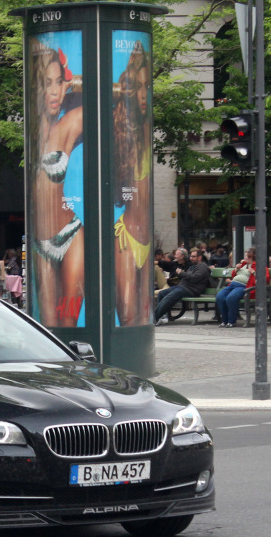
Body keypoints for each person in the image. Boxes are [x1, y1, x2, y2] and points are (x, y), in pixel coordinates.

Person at [29, 37, 85, 326]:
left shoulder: (69, 125)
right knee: (48, 328)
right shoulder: (29, 135)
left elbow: (104, 98)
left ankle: (79, 370)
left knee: (69, 322)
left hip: (71, 234)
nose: (52, 92)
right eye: (45, 83)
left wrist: (71, 80)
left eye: (57, 83)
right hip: (40, 243)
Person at [112, 39, 153, 327]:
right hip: (126, 239)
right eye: (136, 86)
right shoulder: (125, 132)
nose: (142, 94)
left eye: (147, 87)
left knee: (141, 320)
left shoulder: (148, 131)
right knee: (128, 319)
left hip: (147, 242)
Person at [154, 248, 210, 324]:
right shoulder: (193, 266)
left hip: (191, 289)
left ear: (199, 257)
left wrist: (182, 273)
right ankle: (162, 317)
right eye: (191, 256)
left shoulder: (202, 267)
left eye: (193, 257)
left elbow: (194, 278)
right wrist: (184, 274)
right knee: (162, 293)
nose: (191, 258)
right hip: (182, 286)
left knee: (170, 297)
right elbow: (189, 275)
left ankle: (154, 318)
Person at [215, 247, 257, 328]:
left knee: (231, 298)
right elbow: (234, 275)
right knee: (220, 296)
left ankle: (232, 321)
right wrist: (236, 269)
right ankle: (224, 320)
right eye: (245, 256)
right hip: (233, 284)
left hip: (243, 286)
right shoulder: (243, 265)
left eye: (248, 257)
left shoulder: (257, 266)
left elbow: (262, 279)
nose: (246, 258)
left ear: (253, 257)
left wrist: (254, 272)